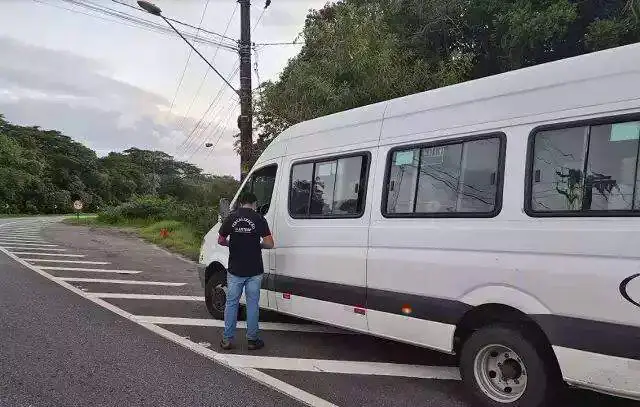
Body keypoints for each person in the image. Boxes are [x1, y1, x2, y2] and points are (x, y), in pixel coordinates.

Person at [217, 191, 274, 350]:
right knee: (252, 304)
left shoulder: (231, 217)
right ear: (254, 204)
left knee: (232, 303)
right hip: (254, 269)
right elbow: (270, 243)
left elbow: (221, 240)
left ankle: (227, 340)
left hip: (235, 269)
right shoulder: (259, 218)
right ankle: (252, 340)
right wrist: (258, 245)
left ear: (240, 203)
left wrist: (232, 244)